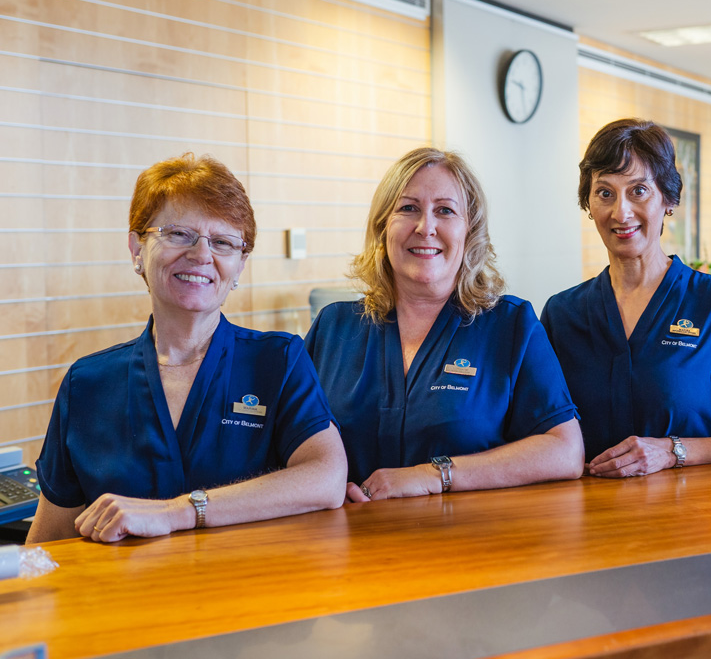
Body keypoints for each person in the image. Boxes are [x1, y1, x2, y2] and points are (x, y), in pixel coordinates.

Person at [27, 154, 348, 544]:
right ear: (136, 249)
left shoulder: (277, 361)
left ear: (240, 266)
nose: (201, 255)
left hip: (251, 596)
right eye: (179, 234)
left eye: (223, 242)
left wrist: (178, 511)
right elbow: (48, 545)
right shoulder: (87, 384)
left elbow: (327, 477)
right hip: (126, 602)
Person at [305, 147, 584, 502]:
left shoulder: (511, 326)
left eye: (445, 211)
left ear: (470, 232)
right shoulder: (334, 327)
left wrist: (436, 475)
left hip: (469, 547)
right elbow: (290, 444)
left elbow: (565, 451)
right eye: (408, 208)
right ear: (382, 227)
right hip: (352, 546)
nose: (426, 227)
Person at [541, 118, 711, 477]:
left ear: (667, 199)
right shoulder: (562, 314)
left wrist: (673, 451)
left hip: (694, 515)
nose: (621, 212)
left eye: (638, 191)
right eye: (605, 193)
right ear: (588, 204)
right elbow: (540, 434)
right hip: (591, 519)